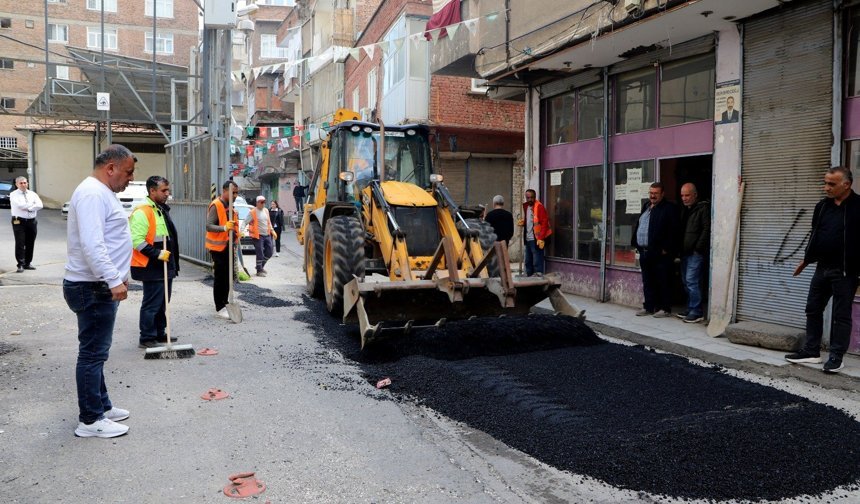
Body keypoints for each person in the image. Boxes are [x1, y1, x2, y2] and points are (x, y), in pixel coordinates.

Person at [63, 144, 136, 438]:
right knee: (92, 354)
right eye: (128, 172)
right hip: (93, 287)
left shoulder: (101, 192)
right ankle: (91, 420)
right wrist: (112, 279)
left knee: (97, 353)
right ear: (111, 168)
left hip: (98, 285)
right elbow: (93, 245)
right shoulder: (93, 193)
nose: (130, 178)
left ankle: (101, 405)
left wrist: (120, 275)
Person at [785, 166, 860, 373]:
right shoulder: (822, 206)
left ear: (846, 184)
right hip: (822, 267)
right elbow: (816, 235)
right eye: (825, 182)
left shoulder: (858, 207)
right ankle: (811, 351)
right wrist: (806, 260)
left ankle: (836, 356)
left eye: (831, 184)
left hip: (846, 271)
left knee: (841, 315)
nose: (826, 187)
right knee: (813, 308)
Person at [130, 176, 180, 349]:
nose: (168, 193)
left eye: (168, 190)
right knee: (152, 303)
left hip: (164, 263)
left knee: (163, 301)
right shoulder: (142, 211)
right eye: (164, 190)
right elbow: (136, 241)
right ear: (152, 191)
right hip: (151, 265)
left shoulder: (160, 209)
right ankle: (147, 337)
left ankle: (159, 332)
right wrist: (157, 253)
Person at [631, 182, 679, 318]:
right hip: (645, 251)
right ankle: (649, 307)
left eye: (655, 193)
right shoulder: (646, 206)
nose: (652, 196)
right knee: (647, 281)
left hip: (660, 253)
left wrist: (666, 249)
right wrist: (637, 245)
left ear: (662, 194)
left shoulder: (669, 208)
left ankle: (665, 308)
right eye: (651, 193)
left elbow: (674, 231)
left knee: (663, 280)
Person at [206, 180, 239, 319]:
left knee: (228, 276)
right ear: (224, 191)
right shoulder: (217, 205)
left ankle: (225, 302)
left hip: (227, 246)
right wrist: (225, 228)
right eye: (233, 193)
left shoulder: (230, 207)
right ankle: (220, 307)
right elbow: (209, 226)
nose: (235, 195)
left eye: (237, 193)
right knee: (221, 277)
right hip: (217, 247)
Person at [677, 183, 710, 323]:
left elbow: (706, 229)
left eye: (687, 195)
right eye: (682, 195)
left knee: (692, 281)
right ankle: (691, 307)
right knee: (686, 281)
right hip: (685, 252)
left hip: (695, 253)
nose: (684, 198)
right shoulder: (685, 210)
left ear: (695, 195)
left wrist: (698, 248)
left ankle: (697, 311)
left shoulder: (703, 208)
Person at [9, 176, 43, 273]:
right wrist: (33, 206)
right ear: (16, 184)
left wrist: (29, 207)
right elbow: (20, 205)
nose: (23, 185)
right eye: (21, 183)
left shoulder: (33, 194)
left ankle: (27, 263)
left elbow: (40, 205)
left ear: (27, 183)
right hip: (19, 221)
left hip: (31, 221)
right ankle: (20, 264)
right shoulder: (13, 194)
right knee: (20, 242)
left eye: (25, 183)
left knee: (30, 242)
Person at [518, 189, 552, 276]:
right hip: (528, 237)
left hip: (536, 239)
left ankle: (538, 276)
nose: (530, 199)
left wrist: (540, 238)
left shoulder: (539, 207)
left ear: (535, 197)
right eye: (528, 197)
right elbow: (531, 220)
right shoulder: (526, 206)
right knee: (528, 260)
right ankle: (528, 276)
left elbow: (544, 224)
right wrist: (524, 222)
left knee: (537, 260)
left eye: (531, 197)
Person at [241, 195, 277, 277]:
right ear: (257, 203)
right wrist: (241, 231)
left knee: (270, 252)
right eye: (261, 202)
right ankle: (259, 270)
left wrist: (272, 230)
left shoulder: (266, 211)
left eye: (264, 202)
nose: (263, 204)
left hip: (267, 234)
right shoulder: (253, 212)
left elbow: (268, 222)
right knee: (260, 252)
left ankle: (259, 266)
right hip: (258, 236)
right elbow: (244, 222)